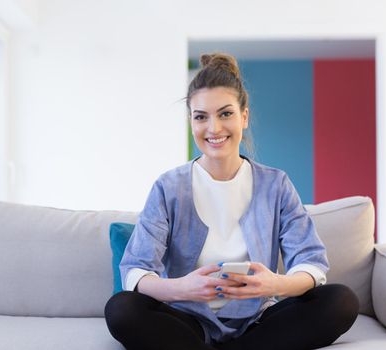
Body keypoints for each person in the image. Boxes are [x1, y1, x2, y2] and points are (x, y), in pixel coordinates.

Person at [104, 53, 359, 350]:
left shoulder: (276, 185)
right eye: (201, 116)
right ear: (191, 121)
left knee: (341, 301)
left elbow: (310, 264)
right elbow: (136, 270)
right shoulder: (168, 187)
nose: (213, 129)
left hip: (258, 321)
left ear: (244, 117)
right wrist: (181, 287)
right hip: (187, 320)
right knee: (121, 309)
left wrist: (275, 284)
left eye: (225, 114)